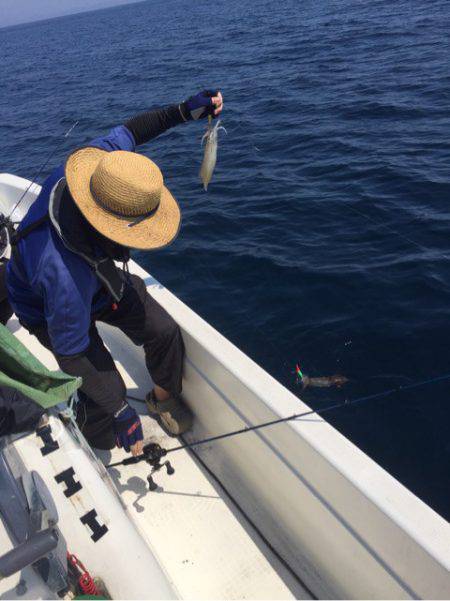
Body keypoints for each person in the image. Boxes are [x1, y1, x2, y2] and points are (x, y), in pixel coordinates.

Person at [6, 89, 224, 456]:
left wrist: (184, 112)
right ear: (108, 227)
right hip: (46, 311)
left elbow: (134, 130)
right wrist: (120, 410)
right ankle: (88, 426)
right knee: (107, 404)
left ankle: (161, 399)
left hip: (97, 276)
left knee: (164, 331)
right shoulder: (63, 276)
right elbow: (70, 353)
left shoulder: (102, 174)